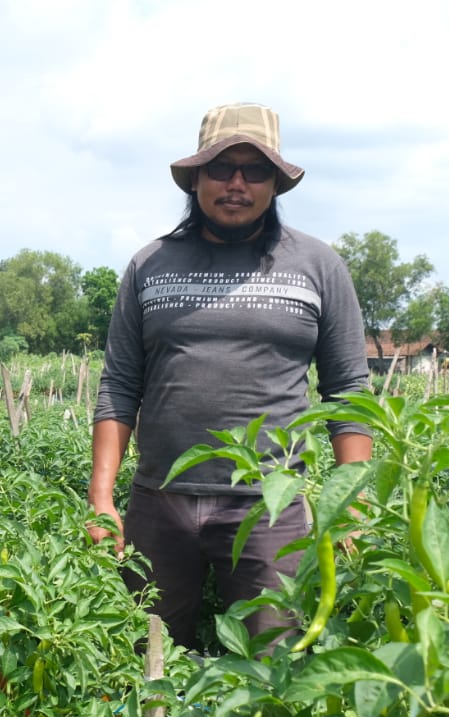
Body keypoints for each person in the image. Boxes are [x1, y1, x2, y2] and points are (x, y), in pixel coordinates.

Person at [87, 103, 372, 650]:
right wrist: (102, 498)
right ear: (196, 178)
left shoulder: (318, 266)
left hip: (271, 506)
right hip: (160, 502)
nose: (237, 184)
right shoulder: (150, 264)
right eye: (221, 168)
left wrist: (351, 508)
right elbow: (119, 386)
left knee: (273, 661)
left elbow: (348, 394)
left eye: (255, 170)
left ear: (276, 183)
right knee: (143, 658)